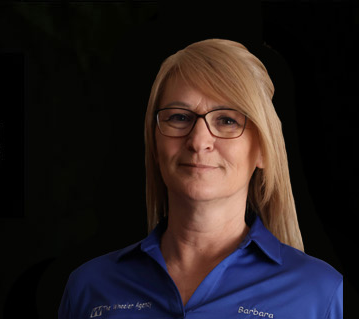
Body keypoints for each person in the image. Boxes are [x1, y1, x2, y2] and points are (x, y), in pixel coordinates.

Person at [58, 39, 342, 319]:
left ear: (263, 151)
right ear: (155, 145)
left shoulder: (318, 293)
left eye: (227, 120)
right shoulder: (90, 287)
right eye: (180, 117)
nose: (198, 140)